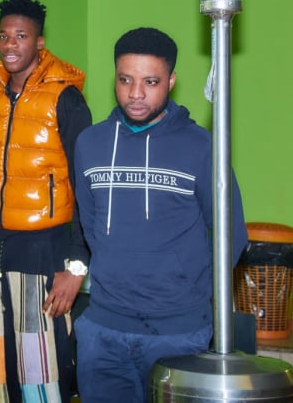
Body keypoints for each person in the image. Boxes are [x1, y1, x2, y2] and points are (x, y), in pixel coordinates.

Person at [72, 27, 248, 403]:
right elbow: (89, 224)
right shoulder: (90, 144)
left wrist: (186, 292)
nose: (136, 93)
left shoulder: (203, 147)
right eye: (125, 80)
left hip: (179, 334)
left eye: (150, 82)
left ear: (171, 81)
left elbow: (231, 235)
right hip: (102, 332)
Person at [0, 0, 92, 402]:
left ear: (39, 41)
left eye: (21, 36)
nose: (10, 44)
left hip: (43, 250)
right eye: (4, 35)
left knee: (41, 370)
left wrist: (76, 266)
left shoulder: (67, 100)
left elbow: (85, 188)